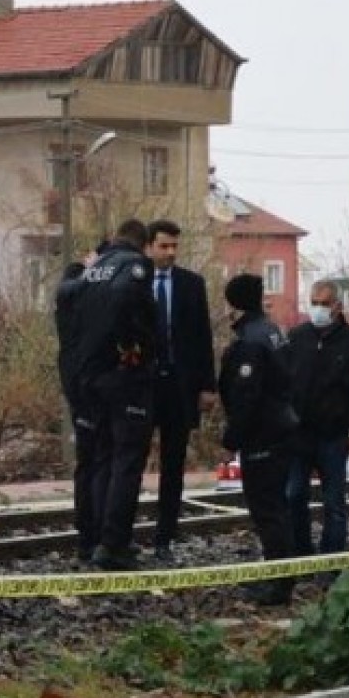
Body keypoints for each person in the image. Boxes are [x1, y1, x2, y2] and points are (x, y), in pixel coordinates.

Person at [72, 219, 158, 571]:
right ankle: (114, 543)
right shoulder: (135, 265)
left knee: (103, 459)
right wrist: (135, 348)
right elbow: (128, 303)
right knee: (127, 461)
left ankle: (95, 540)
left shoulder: (94, 270)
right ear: (145, 243)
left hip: (89, 376)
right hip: (124, 377)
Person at [217, 273, 299, 605]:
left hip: (263, 435)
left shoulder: (250, 341)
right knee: (276, 506)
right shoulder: (272, 331)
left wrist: (230, 441)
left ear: (234, 305)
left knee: (267, 509)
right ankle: (279, 575)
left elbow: (246, 397)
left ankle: (279, 585)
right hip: (280, 427)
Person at [285, 279, 349, 556]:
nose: (318, 309)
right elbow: (283, 383)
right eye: (314, 303)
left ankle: (331, 559)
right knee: (293, 495)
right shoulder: (297, 337)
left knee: (334, 503)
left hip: (334, 435)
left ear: (337, 306)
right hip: (298, 433)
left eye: (324, 304)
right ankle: (301, 554)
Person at [145, 219, 217, 562]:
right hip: (142, 386)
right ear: (149, 246)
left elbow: (202, 336)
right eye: (164, 246)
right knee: (131, 460)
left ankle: (166, 534)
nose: (170, 253)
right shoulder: (136, 281)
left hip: (180, 384)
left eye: (175, 246)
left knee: (174, 463)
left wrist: (207, 386)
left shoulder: (191, 284)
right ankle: (120, 533)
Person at [54, 246, 101, 561]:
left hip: (77, 384)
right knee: (92, 463)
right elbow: (70, 289)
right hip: (85, 388)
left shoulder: (68, 306)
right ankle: (90, 534)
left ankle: (89, 533)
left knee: (89, 463)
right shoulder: (72, 293)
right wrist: (94, 272)